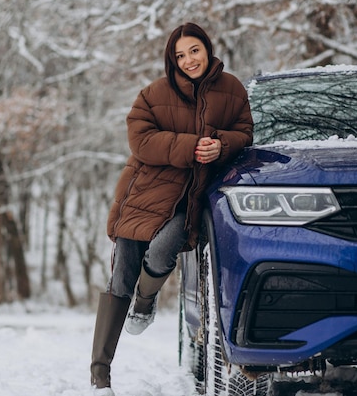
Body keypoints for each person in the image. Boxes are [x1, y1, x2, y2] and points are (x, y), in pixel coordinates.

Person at [89, 22, 254, 396]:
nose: (189, 60)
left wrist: (221, 145)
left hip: (191, 198)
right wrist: (191, 145)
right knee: (120, 280)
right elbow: (140, 139)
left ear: (208, 49)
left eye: (194, 51)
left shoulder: (232, 89)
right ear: (172, 59)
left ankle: (145, 303)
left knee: (166, 247)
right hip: (144, 192)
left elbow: (245, 132)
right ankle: (100, 375)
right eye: (180, 55)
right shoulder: (154, 94)